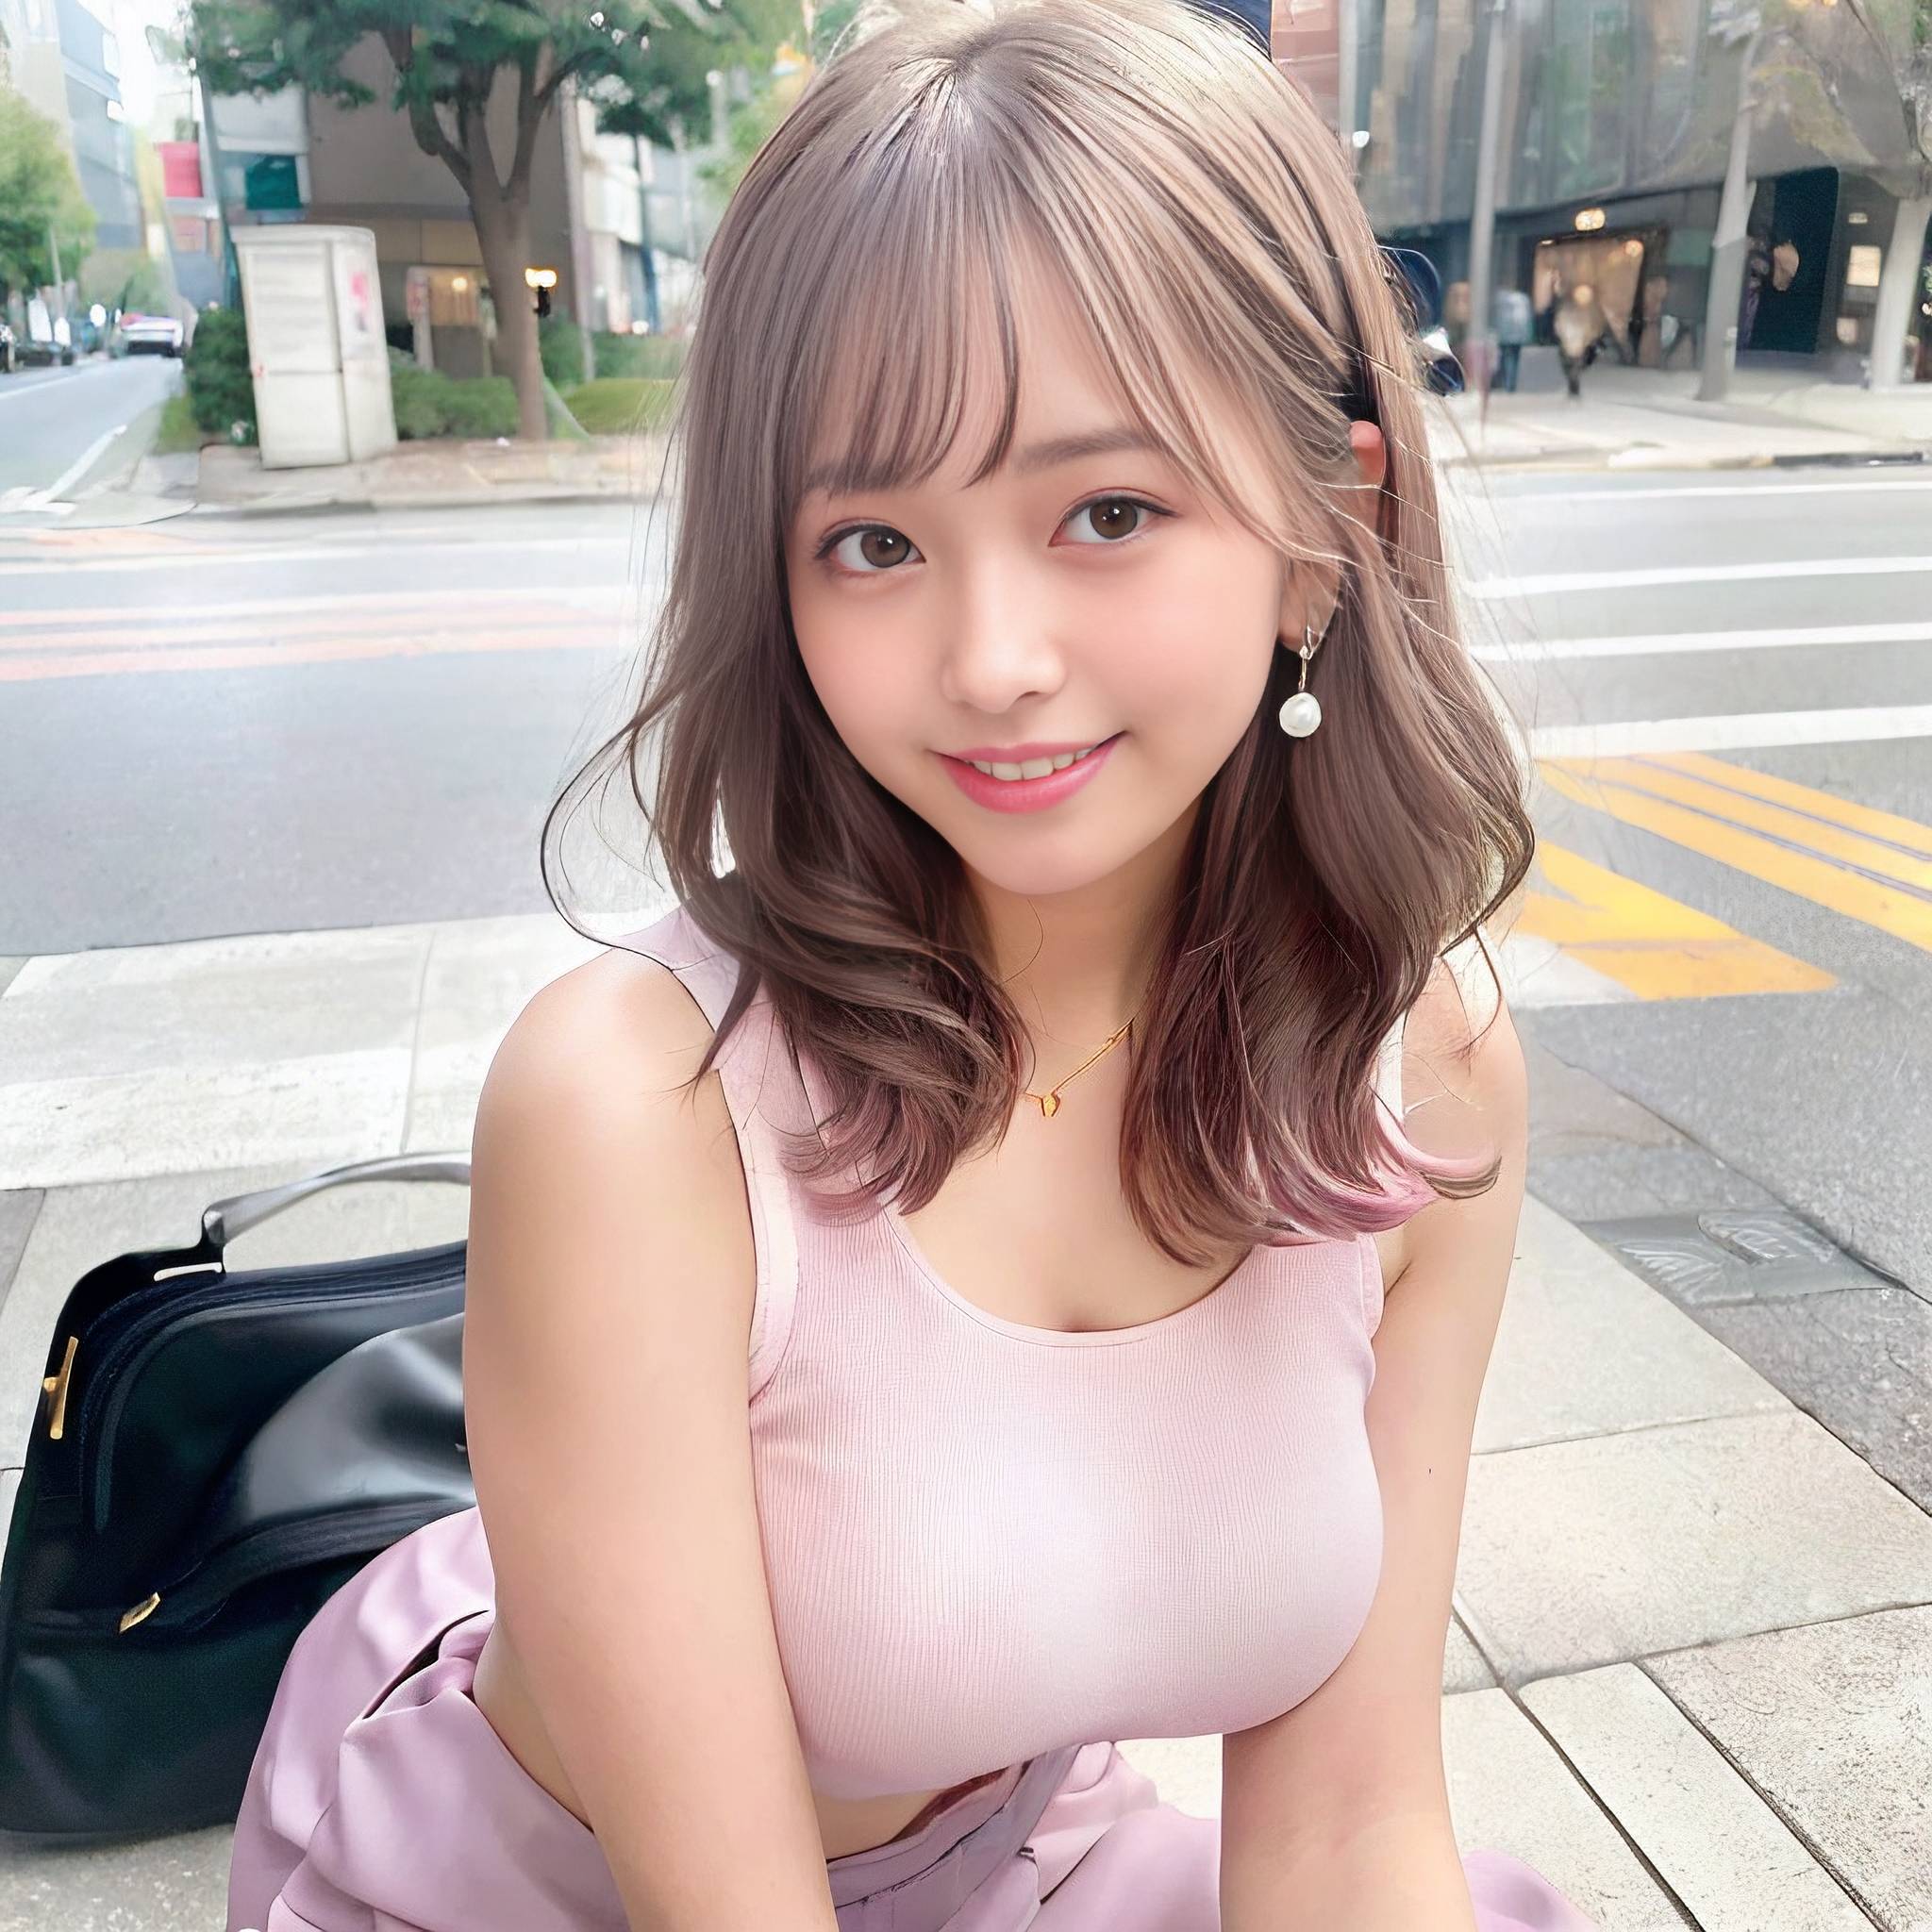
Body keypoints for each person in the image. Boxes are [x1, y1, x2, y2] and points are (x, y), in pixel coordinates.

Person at [225, 2, 1599, 1927]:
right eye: (872, 541)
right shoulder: (639, 1107)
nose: (991, 660)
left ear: (1325, 527)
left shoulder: (1422, 1075)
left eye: (1107, 512)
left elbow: (1350, 1827)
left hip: (1011, 1851)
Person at [1553, 281, 1602, 399]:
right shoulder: (1569, 311)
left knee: (1573, 366)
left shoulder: (1581, 312)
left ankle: (1573, 386)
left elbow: (1590, 327)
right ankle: (1573, 385)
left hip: (1574, 342)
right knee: (1572, 366)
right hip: (1574, 342)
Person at [1493, 285, 1533, 391]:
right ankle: (1511, 383)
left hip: (1504, 335)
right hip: (1518, 335)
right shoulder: (1523, 300)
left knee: (1505, 358)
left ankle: (1507, 382)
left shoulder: (1501, 299)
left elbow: (1496, 317)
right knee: (1515, 359)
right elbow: (1527, 319)